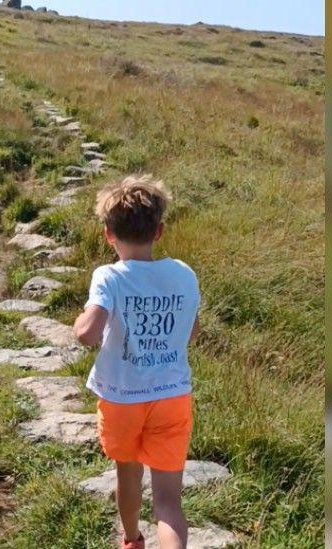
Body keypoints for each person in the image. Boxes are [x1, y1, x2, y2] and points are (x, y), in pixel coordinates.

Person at [73, 175, 201, 549]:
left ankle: (131, 541)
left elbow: (87, 332)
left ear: (108, 234)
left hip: (121, 398)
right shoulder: (182, 273)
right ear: (159, 231)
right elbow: (191, 333)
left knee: (127, 475)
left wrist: (81, 322)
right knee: (168, 503)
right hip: (172, 396)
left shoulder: (109, 276)